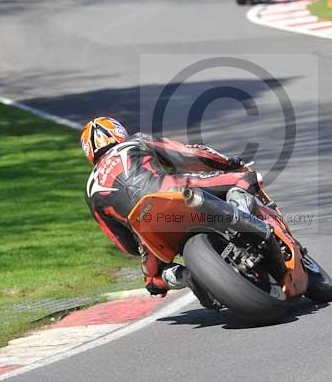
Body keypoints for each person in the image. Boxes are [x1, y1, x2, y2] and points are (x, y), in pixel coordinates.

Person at [80, 117, 259, 304]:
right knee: (244, 178)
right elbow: (188, 154)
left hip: (145, 227)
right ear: (118, 132)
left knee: (152, 281)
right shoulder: (136, 141)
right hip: (172, 192)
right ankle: (244, 221)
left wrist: (140, 245)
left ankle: (186, 276)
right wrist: (228, 163)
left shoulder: (90, 190)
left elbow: (123, 244)